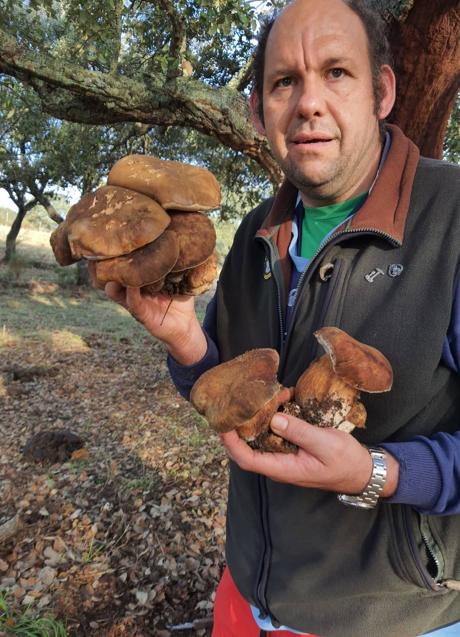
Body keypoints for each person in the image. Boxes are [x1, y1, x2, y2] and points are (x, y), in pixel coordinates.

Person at [106, 0, 460, 635]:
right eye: (283, 82)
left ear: (381, 92)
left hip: (396, 618)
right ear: (258, 109)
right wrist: (187, 342)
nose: (308, 103)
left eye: (336, 73)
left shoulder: (452, 222)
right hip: (248, 596)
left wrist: (379, 472)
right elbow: (224, 396)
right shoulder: (254, 235)